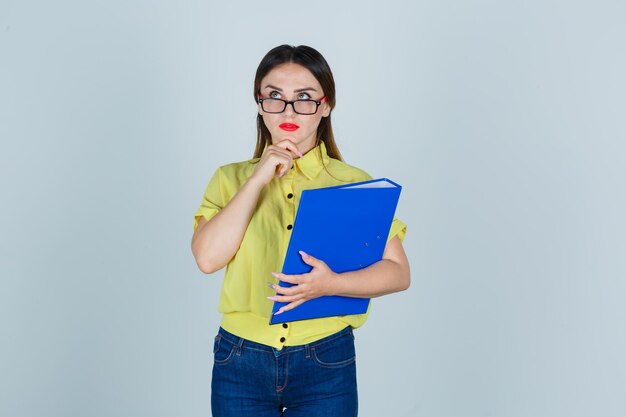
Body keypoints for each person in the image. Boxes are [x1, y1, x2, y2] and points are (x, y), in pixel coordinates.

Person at [191, 44, 410, 417]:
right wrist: (259, 178)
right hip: (240, 357)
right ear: (260, 104)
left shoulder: (354, 184)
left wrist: (332, 285)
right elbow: (208, 259)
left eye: (304, 98)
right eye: (275, 96)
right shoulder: (229, 179)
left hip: (324, 356)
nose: (288, 110)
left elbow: (398, 272)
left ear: (325, 105)